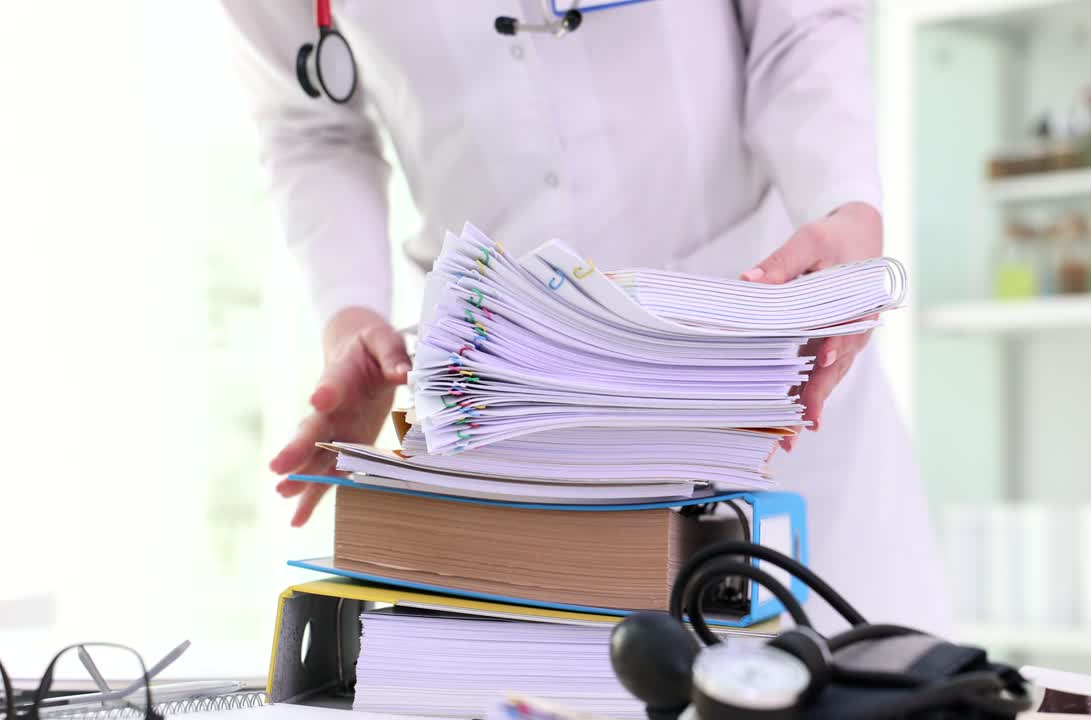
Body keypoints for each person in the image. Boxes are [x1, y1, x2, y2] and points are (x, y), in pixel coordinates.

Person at [222, 0, 948, 634]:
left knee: (856, 679)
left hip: (761, 365)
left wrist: (843, 200)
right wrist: (349, 314)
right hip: (509, 411)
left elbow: (800, 25)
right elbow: (312, 128)